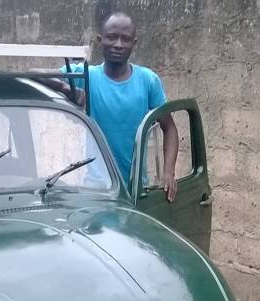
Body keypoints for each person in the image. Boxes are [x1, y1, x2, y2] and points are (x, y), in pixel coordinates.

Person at [51, 12, 179, 201]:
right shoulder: (85, 76)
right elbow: (37, 75)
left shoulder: (147, 81)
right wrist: (65, 87)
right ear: (100, 40)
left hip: (136, 190)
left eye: (125, 39)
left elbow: (170, 128)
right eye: (112, 37)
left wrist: (169, 172)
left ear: (134, 44)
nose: (118, 44)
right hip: (96, 191)